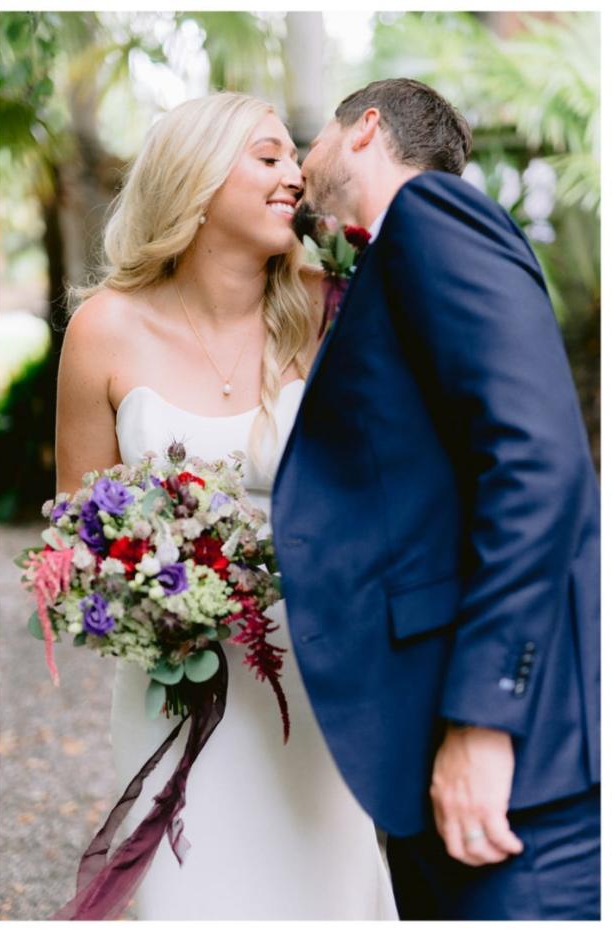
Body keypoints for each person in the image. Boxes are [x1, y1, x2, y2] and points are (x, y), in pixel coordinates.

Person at [55, 91, 395, 919]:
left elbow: (385, 495)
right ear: (197, 179)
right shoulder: (104, 328)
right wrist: (142, 603)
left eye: (292, 161)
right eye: (269, 157)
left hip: (314, 686)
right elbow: (70, 532)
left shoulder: (328, 314)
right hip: (172, 689)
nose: (294, 178)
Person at [274, 77, 599, 920]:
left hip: (515, 771)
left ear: (363, 130)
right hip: (435, 751)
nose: (300, 165)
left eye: (309, 138)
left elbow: (539, 464)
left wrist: (484, 721)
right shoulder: (391, 255)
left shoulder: (432, 218)